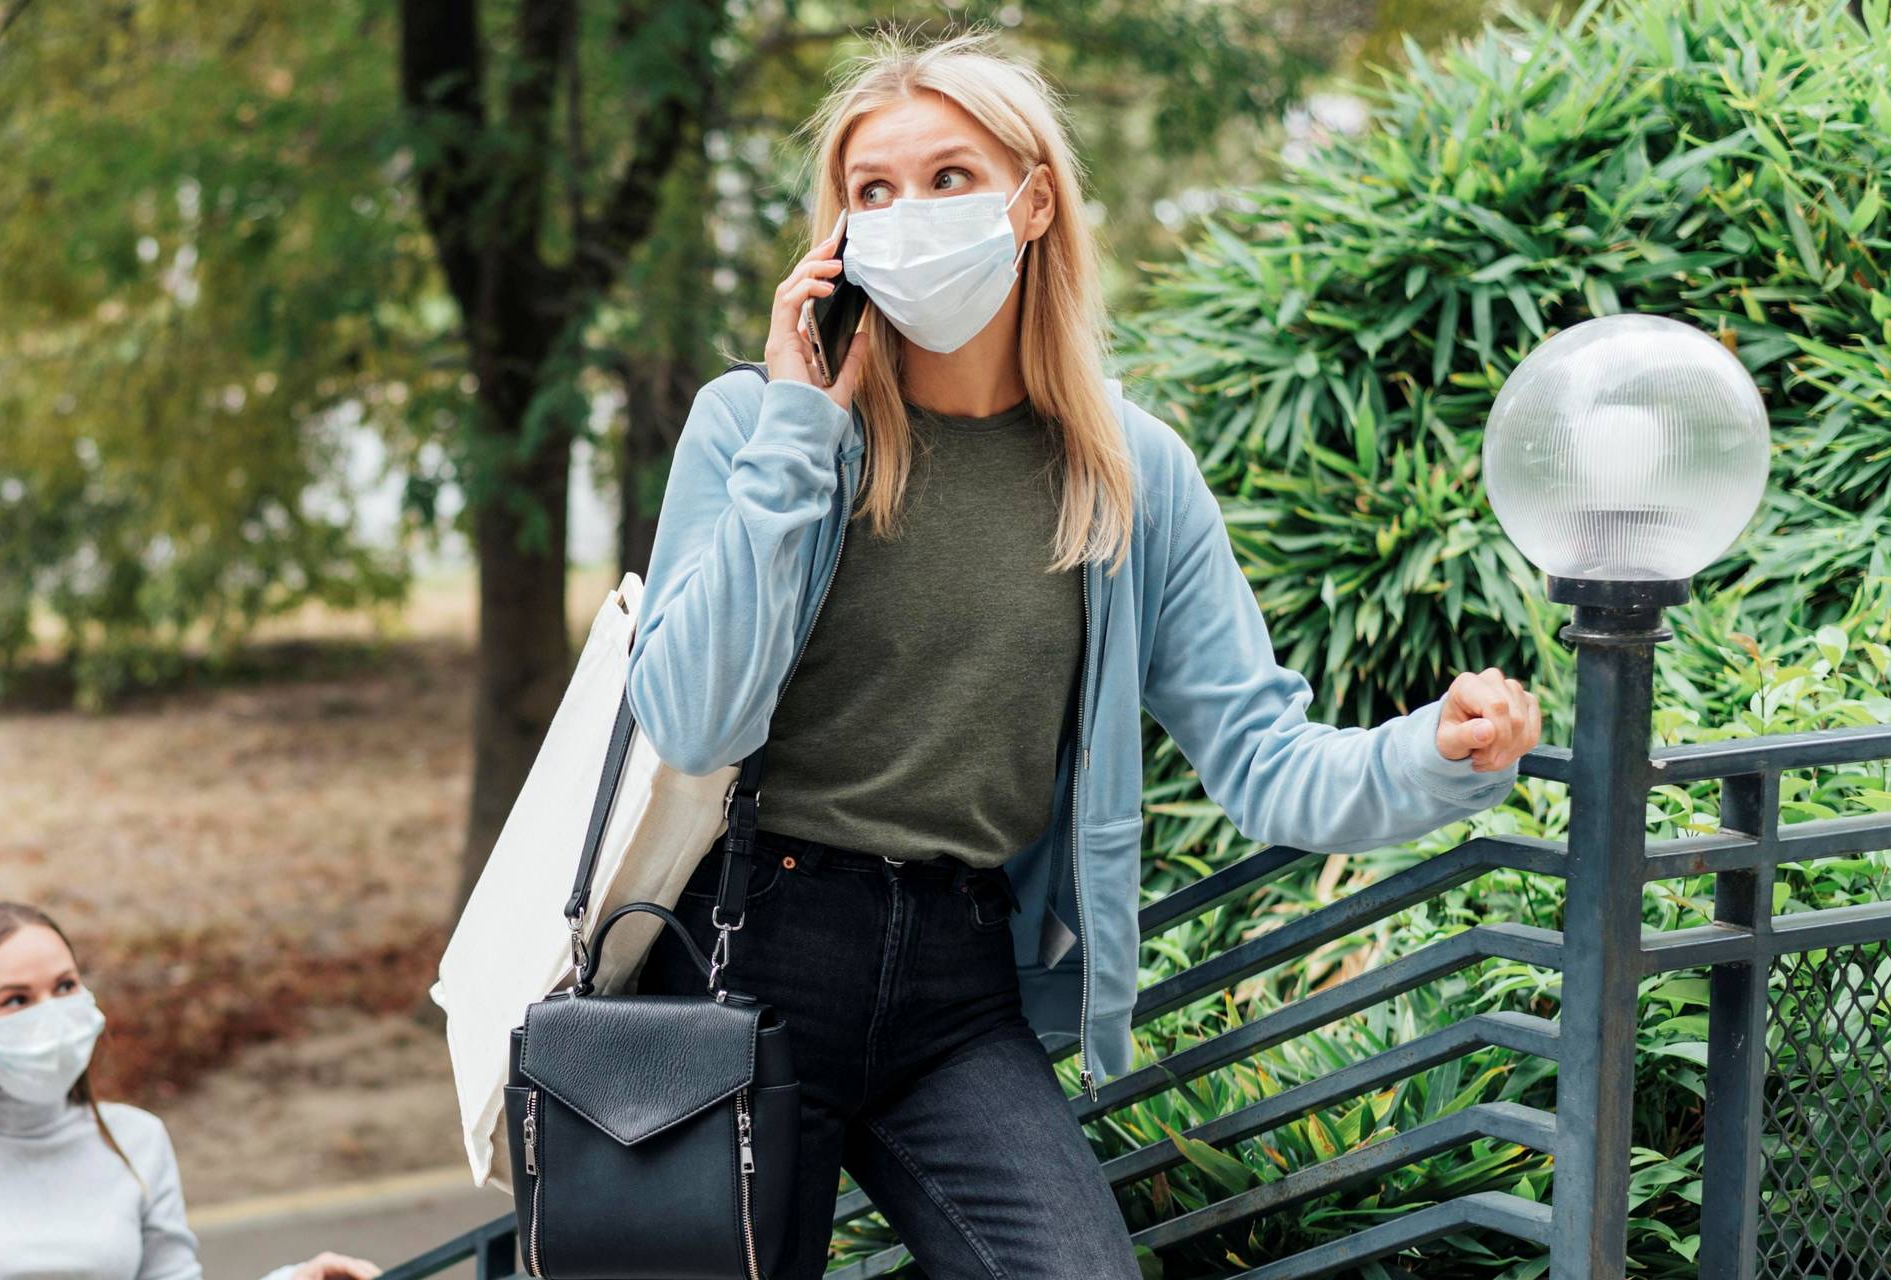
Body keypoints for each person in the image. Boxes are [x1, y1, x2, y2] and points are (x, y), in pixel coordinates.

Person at [620, 29, 1543, 1280]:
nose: (907, 215)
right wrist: (799, 425)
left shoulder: (1127, 472)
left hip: (956, 974)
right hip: (741, 949)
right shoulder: (753, 424)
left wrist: (1438, 753)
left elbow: (1261, 754)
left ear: (1032, 197)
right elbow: (689, 717)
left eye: (949, 177)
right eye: (871, 191)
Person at [0, 901, 383, 1280]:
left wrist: (294, 1279)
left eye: (65, 986)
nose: (53, 1014)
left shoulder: (138, 1140)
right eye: (16, 1000)